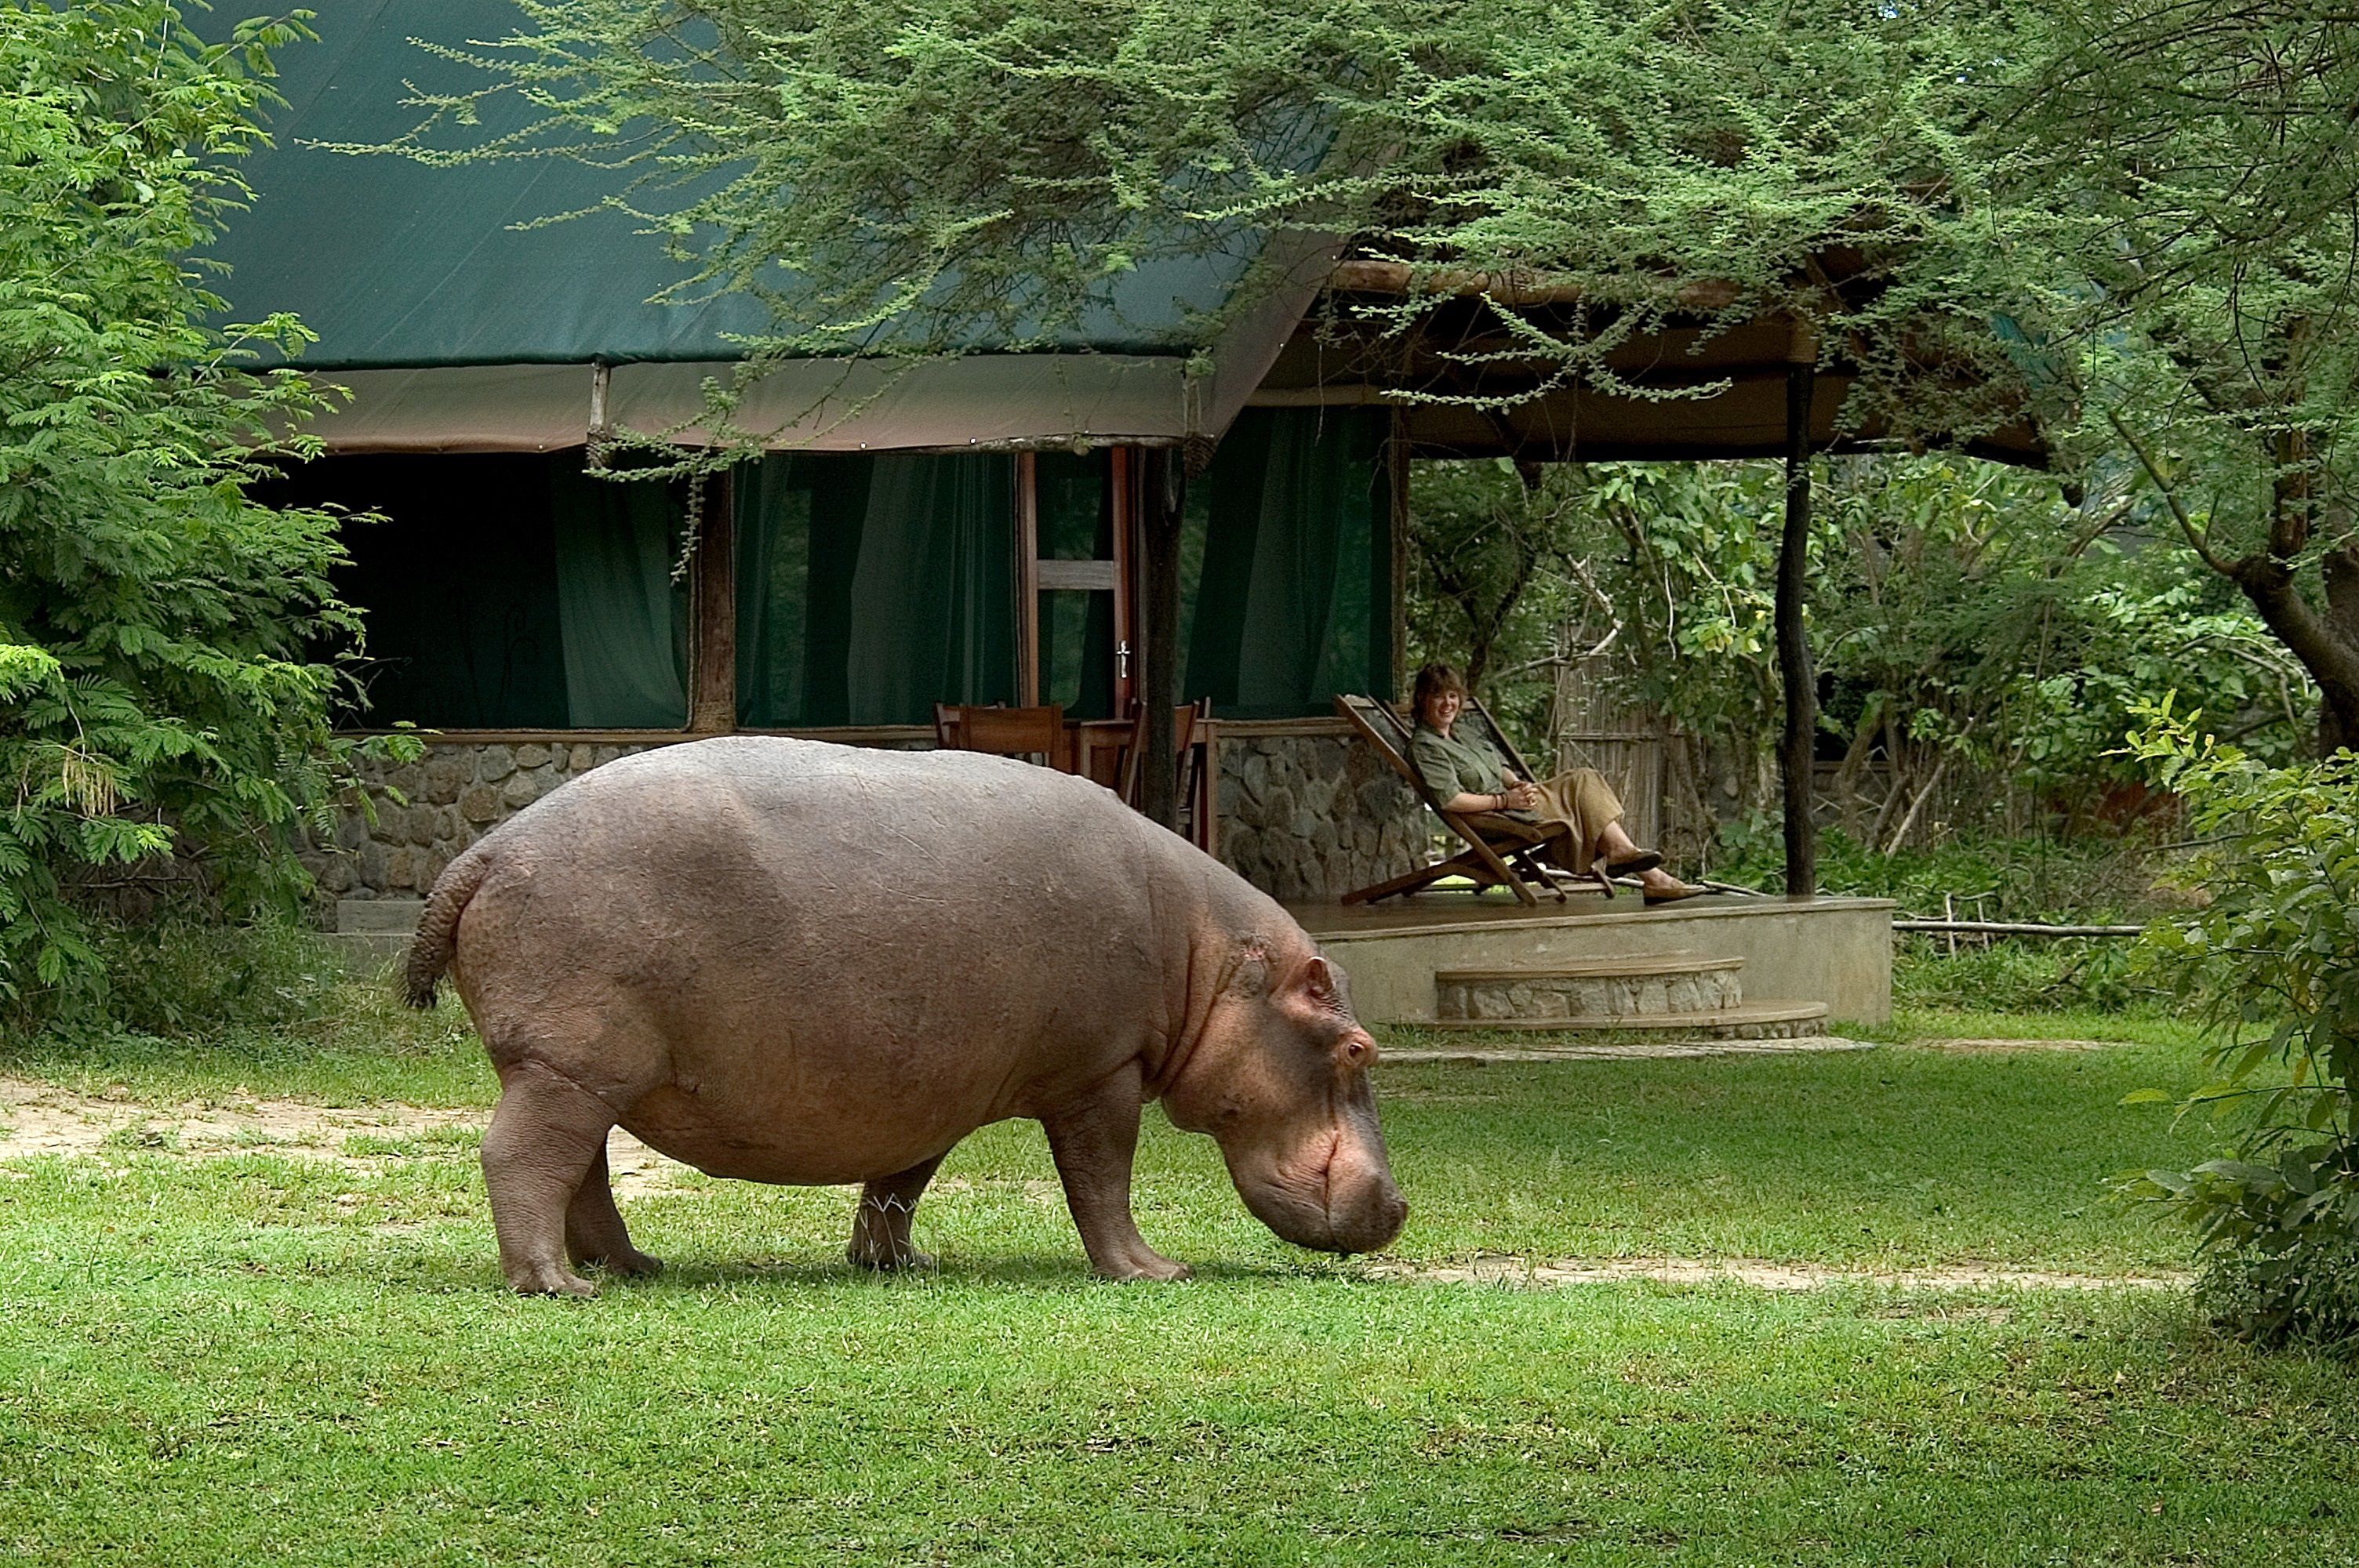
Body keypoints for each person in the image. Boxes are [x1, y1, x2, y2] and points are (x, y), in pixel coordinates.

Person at [1406, 662, 1703, 905]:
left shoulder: (1465, 733)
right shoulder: (1426, 747)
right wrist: (1505, 802)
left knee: (1583, 780)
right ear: (1422, 700)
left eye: (1453, 696)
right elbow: (1451, 800)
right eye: (1438, 696)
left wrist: (1518, 786)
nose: (1448, 703)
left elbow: (1500, 766)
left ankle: (1642, 869)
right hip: (1493, 816)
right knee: (1582, 789)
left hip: (1513, 802)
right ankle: (1649, 874)